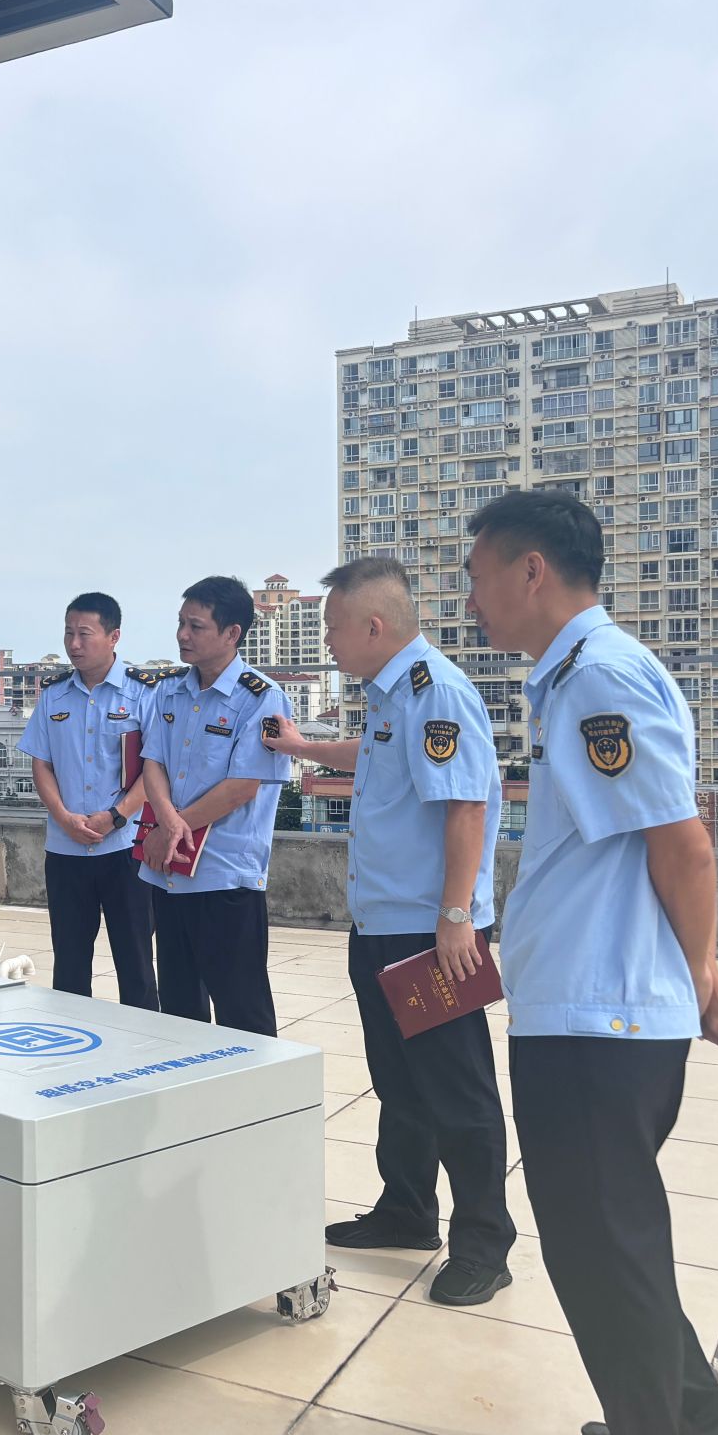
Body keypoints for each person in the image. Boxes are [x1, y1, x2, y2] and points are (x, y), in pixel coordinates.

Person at [465, 489, 718, 1435]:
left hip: (598, 1021)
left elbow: (683, 846)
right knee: (612, 1242)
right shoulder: (574, 676)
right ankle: (701, 1423)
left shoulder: (597, 677)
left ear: (531, 571)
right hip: (591, 1008)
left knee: (599, 1254)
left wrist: (700, 976)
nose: (470, 600)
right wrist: (698, 977)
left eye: (477, 577)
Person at [262, 557, 516, 1308]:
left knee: (458, 1090)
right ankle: (406, 1209)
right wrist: (303, 750)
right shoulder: (390, 695)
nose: (327, 641)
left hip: (430, 934)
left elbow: (465, 805)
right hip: (380, 923)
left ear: (374, 627)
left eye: (333, 627)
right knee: (400, 1083)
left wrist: (456, 918)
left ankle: (484, 1244)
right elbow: (373, 757)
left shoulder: (436, 691)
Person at [138, 575, 293, 1035]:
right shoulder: (169, 691)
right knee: (179, 1008)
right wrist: (168, 823)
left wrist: (171, 827)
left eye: (196, 626)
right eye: (181, 623)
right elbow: (152, 763)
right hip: (170, 873)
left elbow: (243, 786)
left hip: (225, 875)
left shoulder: (261, 698)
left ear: (231, 633)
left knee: (241, 1011)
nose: (183, 635)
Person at [17, 592, 159, 1008]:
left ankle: (142, 1039)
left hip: (126, 849)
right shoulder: (54, 695)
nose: (74, 644)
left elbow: (156, 767)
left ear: (114, 636)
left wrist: (116, 816)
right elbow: (41, 764)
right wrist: (64, 817)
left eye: (84, 634)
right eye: (68, 634)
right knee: (70, 963)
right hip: (66, 849)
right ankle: (73, 1038)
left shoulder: (143, 693)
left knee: (135, 961)